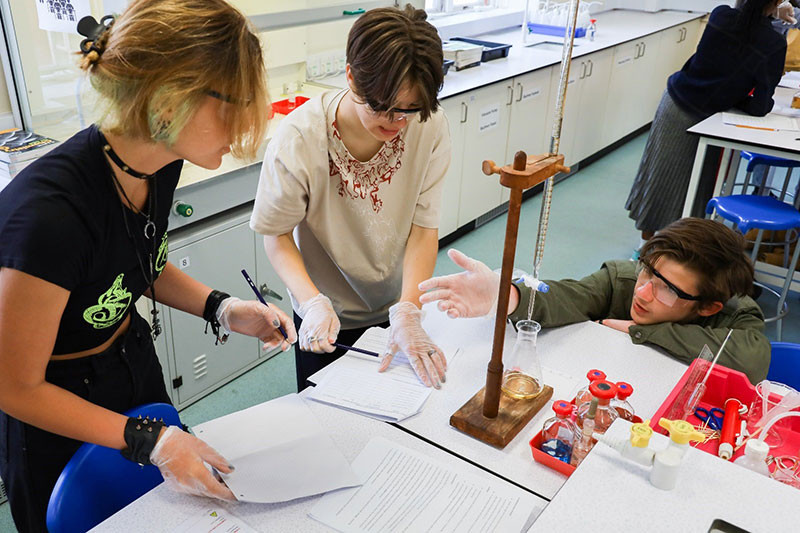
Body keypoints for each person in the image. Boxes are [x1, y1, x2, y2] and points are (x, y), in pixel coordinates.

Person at [0, 1, 297, 531]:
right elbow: (14, 387)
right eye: (233, 105)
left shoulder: (158, 163)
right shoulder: (48, 216)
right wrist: (149, 439)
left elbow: (138, 262)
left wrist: (222, 308)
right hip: (55, 401)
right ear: (169, 102)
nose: (243, 125)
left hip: (130, 360)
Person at [250, 5, 451, 391]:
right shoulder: (300, 138)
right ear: (351, 77)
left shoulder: (429, 126)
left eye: (408, 111)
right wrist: (311, 303)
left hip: (397, 305)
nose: (396, 124)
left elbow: (424, 230)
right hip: (326, 317)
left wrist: (409, 311)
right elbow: (276, 236)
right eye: (383, 108)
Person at [419, 218, 771, 384]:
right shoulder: (623, 280)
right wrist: (506, 295)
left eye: (668, 289)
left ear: (707, 306)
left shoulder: (733, 313)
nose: (643, 291)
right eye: (648, 271)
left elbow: (753, 360)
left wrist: (638, 331)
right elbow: (568, 296)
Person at [625, 0, 787, 257]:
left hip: (676, 104)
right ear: (778, 2)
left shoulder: (721, 15)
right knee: (695, 187)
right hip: (710, 119)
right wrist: (737, 98)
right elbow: (759, 105)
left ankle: (649, 247)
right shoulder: (773, 43)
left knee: (659, 178)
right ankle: (665, 252)